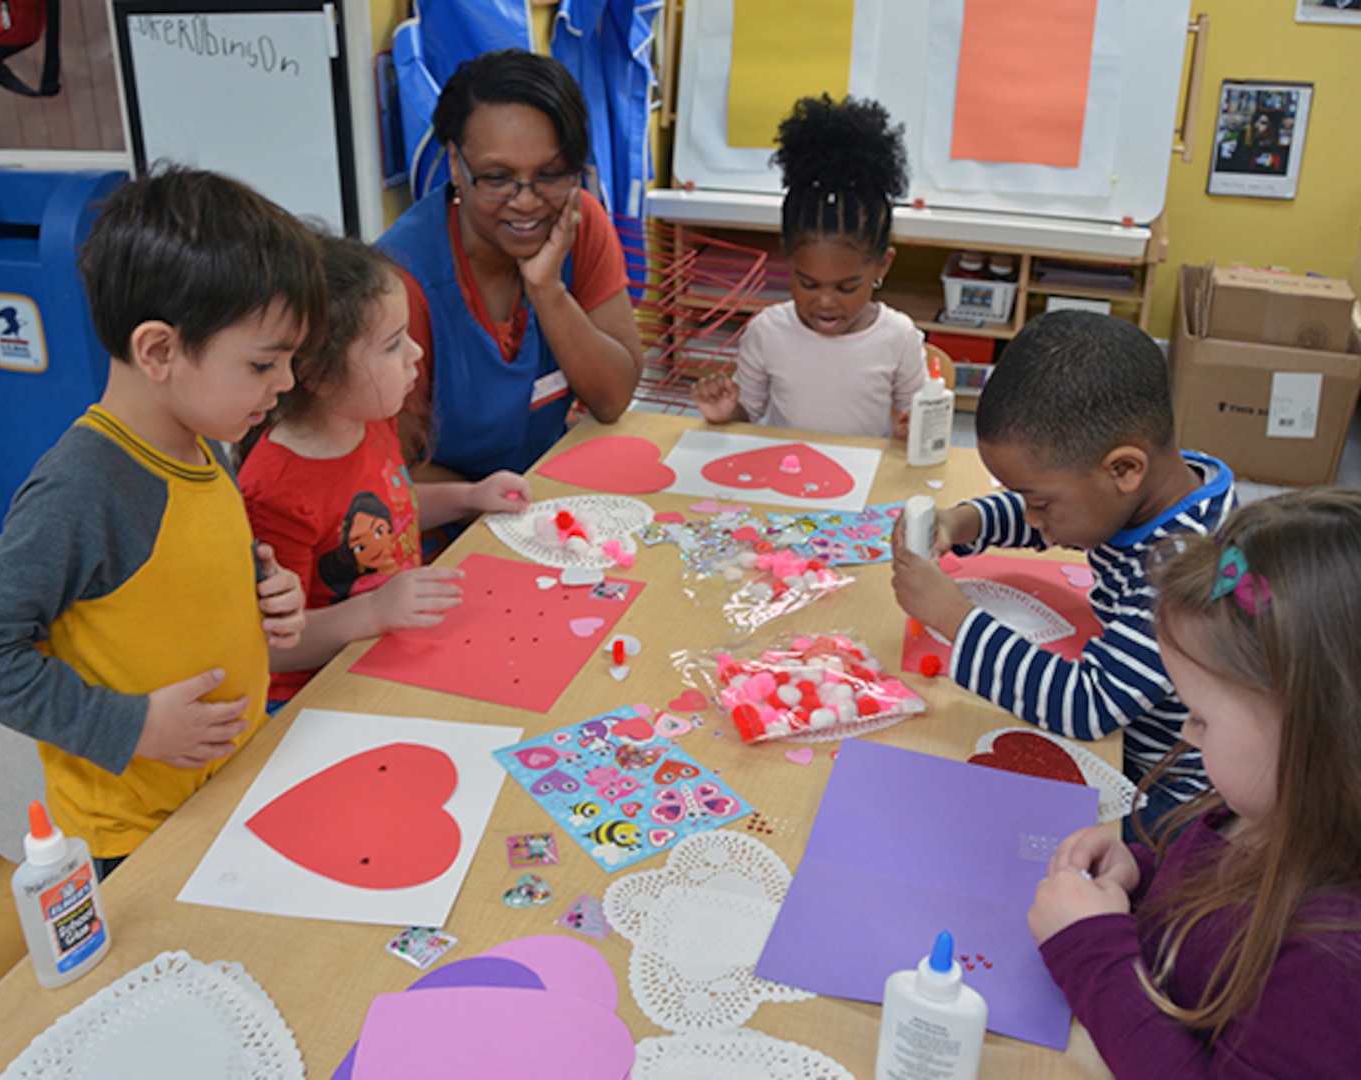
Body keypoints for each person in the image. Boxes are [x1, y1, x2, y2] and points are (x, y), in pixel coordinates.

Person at [0, 168, 319, 876]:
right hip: (134, 839)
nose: (287, 383)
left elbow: (172, 574)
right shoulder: (84, 487)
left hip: (228, 790)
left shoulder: (203, 437)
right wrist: (129, 727)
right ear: (159, 351)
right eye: (263, 364)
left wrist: (266, 595)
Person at [1028, 489, 1361, 1078]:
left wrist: (1091, 950)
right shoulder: (1253, 814)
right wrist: (1138, 877)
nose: (1187, 729)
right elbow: (1201, 926)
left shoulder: (1341, 963)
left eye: (1202, 716)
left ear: (1319, 733)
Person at [889, 310, 1236, 831]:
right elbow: (1064, 519)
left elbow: (1087, 705)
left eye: (1040, 503)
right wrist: (963, 521)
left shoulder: (1186, 572)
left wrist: (953, 616)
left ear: (1124, 469)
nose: (1032, 519)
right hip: (1140, 745)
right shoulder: (1162, 484)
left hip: (1171, 796)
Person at [239, 236, 531, 708]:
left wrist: (470, 496)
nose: (416, 352)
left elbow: (395, 505)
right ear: (318, 374)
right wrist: (375, 611)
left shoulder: (370, 420)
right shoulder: (274, 492)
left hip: (387, 657)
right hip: (313, 700)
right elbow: (273, 647)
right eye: (393, 344)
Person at [378, 48, 644, 484]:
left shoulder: (579, 221)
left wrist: (547, 290)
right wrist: (496, 508)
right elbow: (390, 472)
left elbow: (612, 399)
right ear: (455, 166)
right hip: (448, 526)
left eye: (552, 173)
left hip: (544, 498)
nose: (526, 201)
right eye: (497, 178)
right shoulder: (400, 279)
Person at [692, 94, 927, 440]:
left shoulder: (899, 338)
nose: (826, 301)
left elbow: (921, 419)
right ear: (787, 257)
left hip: (865, 486)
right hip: (785, 478)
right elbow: (750, 412)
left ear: (882, 265)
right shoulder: (767, 332)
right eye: (808, 284)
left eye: (846, 287)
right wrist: (726, 412)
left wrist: (913, 429)